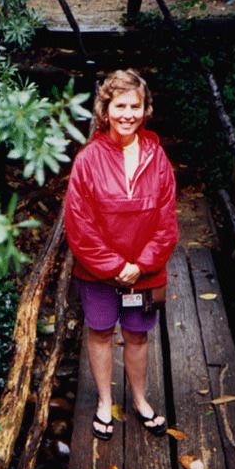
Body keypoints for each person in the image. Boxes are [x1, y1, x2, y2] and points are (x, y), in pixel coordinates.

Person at [64, 69, 178, 441]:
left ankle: (141, 399)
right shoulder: (88, 160)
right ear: (105, 110)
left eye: (135, 106)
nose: (128, 113)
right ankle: (104, 400)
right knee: (99, 332)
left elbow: (166, 222)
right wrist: (114, 266)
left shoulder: (157, 158)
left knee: (138, 336)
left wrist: (141, 265)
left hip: (144, 273)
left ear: (146, 110)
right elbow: (79, 226)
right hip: (98, 273)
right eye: (120, 106)